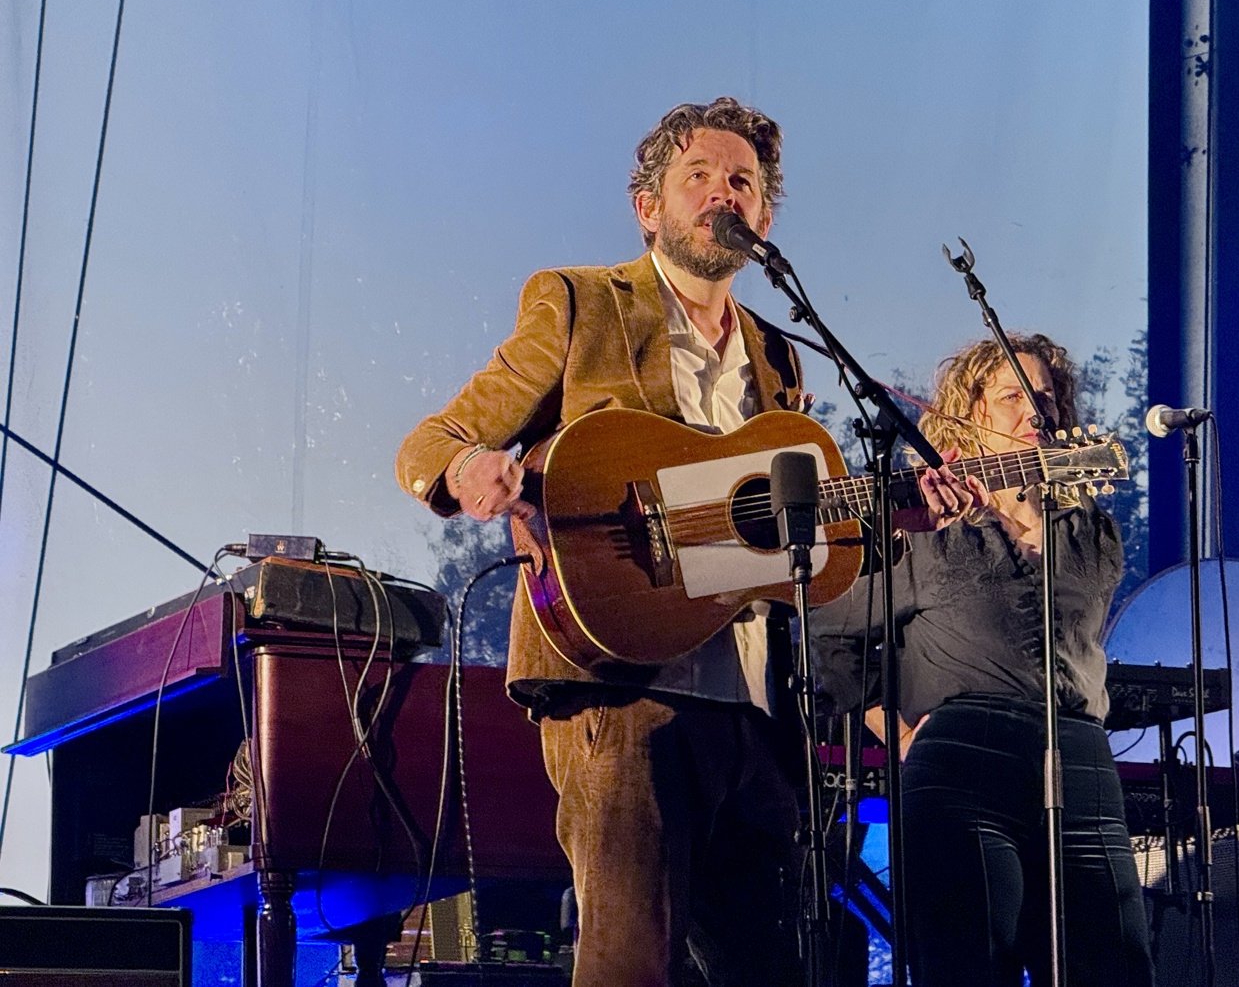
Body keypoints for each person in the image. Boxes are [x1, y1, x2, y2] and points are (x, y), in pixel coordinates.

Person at [396, 98, 808, 987]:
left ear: (764, 218)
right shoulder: (580, 303)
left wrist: (906, 512)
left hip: (748, 702)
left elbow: (780, 533)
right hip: (619, 687)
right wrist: (468, 467)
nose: (722, 193)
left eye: (741, 181)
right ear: (648, 207)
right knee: (627, 964)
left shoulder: (779, 355)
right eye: (698, 176)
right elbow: (431, 442)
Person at [811, 334, 1154, 987]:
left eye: (1045, 398)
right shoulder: (927, 533)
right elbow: (829, 631)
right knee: (968, 965)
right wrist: (899, 732)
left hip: (1080, 757)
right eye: (1011, 397)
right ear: (970, 413)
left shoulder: (1089, 532)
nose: (1034, 412)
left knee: (1115, 964)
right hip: (963, 758)